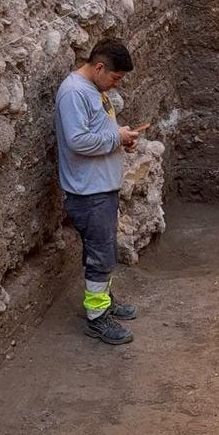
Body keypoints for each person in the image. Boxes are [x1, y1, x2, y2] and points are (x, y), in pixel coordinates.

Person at [55, 38, 144, 344]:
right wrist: (116, 138)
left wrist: (122, 138)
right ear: (99, 66)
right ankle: (97, 318)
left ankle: (103, 300)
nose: (115, 85)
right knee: (100, 256)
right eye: (115, 78)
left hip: (100, 188)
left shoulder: (92, 89)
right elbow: (77, 141)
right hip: (89, 192)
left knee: (102, 251)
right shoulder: (74, 93)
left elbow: (97, 133)